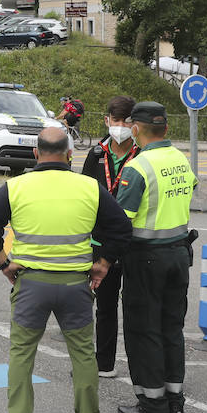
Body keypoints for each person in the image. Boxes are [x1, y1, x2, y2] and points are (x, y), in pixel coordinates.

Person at [0, 127, 132, 413]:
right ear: (70, 154)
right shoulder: (90, 187)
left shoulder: (15, 186)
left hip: (31, 284)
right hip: (77, 284)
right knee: (84, 354)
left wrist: (5, 264)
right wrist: (102, 263)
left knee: (22, 352)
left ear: (36, 153)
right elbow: (121, 229)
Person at [115, 101, 197, 413]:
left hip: (146, 257)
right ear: (166, 129)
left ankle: (152, 405)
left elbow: (121, 222)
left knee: (143, 329)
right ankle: (175, 402)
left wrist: (103, 256)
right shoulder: (180, 159)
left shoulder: (139, 167)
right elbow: (190, 189)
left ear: (135, 129)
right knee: (171, 328)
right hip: (179, 255)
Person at [81, 96, 140, 379]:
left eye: (126, 121)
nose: (120, 127)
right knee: (104, 306)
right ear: (107, 121)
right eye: (115, 121)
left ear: (135, 125)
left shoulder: (143, 154)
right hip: (101, 243)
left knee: (136, 306)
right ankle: (104, 363)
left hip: (135, 243)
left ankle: (141, 366)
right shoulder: (96, 155)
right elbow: (82, 194)